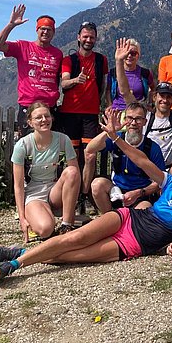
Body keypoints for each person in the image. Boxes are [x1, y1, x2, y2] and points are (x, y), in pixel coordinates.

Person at [0, 108, 172, 284]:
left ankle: (20, 253)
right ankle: (11, 266)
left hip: (133, 243)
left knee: (72, 256)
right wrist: (115, 137)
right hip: (127, 218)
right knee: (72, 239)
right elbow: (142, 161)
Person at [115, 36, 172, 168]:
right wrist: (119, 61)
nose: (165, 100)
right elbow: (125, 92)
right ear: (154, 97)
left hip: (169, 171)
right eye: (161, 96)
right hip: (147, 170)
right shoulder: (144, 116)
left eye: (169, 97)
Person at [56, 21, 109, 216]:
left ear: (95, 39)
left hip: (90, 114)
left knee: (90, 155)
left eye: (91, 37)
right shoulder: (69, 59)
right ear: (78, 37)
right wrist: (76, 80)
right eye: (85, 36)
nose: (88, 40)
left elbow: (103, 85)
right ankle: (74, 194)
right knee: (73, 157)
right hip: (70, 114)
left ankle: (85, 195)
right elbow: (64, 83)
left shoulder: (101, 60)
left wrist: (102, 103)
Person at [11, 102, 81, 241]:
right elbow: (18, 186)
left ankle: (66, 225)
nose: (44, 120)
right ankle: (38, 216)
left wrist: (72, 204)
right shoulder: (22, 145)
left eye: (47, 116)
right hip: (34, 192)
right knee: (45, 230)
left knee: (72, 171)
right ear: (30, 122)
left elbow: (76, 175)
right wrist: (22, 218)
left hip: (55, 189)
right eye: (38, 117)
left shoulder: (63, 139)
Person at [0, 4, 63, 134]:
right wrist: (11, 25)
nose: (45, 32)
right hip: (28, 106)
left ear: (53, 32)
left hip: (50, 108)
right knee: (28, 145)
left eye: (49, 29)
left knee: (50, 145)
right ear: (37, 30)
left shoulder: (58, 54)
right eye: (42, 29)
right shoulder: (23, 47)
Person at [86, 102, 166, 214]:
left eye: (138, 119)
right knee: (97, 184)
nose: (133, 123)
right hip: (116, 191)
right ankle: (109, 217)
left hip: (140, 194)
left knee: (144, 208)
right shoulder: (116, 138)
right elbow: (90, 149)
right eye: (130, 118)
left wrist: (139, 192)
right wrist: (109, 132)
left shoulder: (152, 147)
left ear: (145, 121)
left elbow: (160, 181)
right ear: (125, 119)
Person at [107, 38, 154, 111]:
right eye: (126, 53)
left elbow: (153, 88)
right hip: (117, 110)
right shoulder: (113, 73)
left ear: (138, 55)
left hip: (137, 111)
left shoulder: (145, 73)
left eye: (133, 53)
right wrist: (110, 105)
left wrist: (150, 103)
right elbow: (108, 90)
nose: (129, 56)